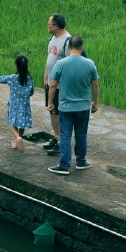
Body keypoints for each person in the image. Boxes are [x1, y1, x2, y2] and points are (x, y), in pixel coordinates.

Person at [47, 35, 100, 175]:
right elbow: (95, 85)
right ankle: (81, 161)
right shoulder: (90, 63)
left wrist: (50, 102)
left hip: (65, 107)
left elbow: (52, 85)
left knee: (65, 135)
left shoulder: (61, 64)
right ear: (81, 48)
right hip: (83, 107)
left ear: (69, 47)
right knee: (81, 135)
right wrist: (95, 103)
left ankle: (64, 165)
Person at [0, 54, 35, 151]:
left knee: (12, 124)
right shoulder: (29, 79)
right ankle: (17, 141)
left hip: (14, 105)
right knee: (22, 125)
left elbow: (2, 78)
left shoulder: (13, 77)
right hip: (24, 106)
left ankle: (17, 138)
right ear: (26, 66)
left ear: (16, 65)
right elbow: (31, 92)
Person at [42, 13, 71, 155]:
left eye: (49, 24)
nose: (47, 26)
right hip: (50, 84)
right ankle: (57, 137)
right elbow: (50, 59)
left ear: (56, 26)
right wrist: (46, 78)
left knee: (60, 114)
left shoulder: (67, 42)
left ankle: (62, 143)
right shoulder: (52, 38)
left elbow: (71, 64)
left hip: (60, 86)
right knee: (52, 111)